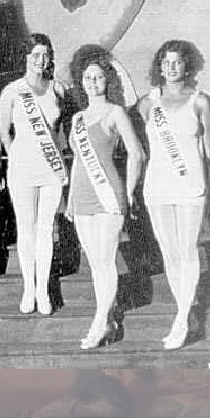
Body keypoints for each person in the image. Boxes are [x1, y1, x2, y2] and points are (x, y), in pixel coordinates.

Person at [137, 40, 210, 350]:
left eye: (177, 62)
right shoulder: (147, 104)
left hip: (190, 183)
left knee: (187, 249)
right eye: (166, 62)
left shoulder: (200, 101)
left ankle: (181, 320)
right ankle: (185, 312)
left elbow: (208, 150)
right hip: (158, 184)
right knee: (169, 252)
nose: (171, 68)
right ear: (159, 66)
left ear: (187, 66)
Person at [66, 49, 144, 349]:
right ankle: (108, 320)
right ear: (81, 82)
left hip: (108, 193)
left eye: (99, 77)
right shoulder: (77, 118)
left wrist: (130, 191)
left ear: (107, 81)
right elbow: (78, 161)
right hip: (82, 196)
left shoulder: (116, 112)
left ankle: (99, 323)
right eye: (88, 77)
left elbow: (137, 153)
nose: (93, 82)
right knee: (96, 263)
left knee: (106, 260)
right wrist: (71, 200)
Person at [0, 33, 67, 315]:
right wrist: (17, 157)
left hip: (50, 168)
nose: (40, 60)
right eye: (35, 54)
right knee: (26, 229)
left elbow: (61, 130)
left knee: (46, 229)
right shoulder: (12, 91)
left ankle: (43, 291)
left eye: (45, 55)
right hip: (22, 167)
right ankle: (29, 288)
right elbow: (4, 132)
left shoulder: (57, 89)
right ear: (25, 57)